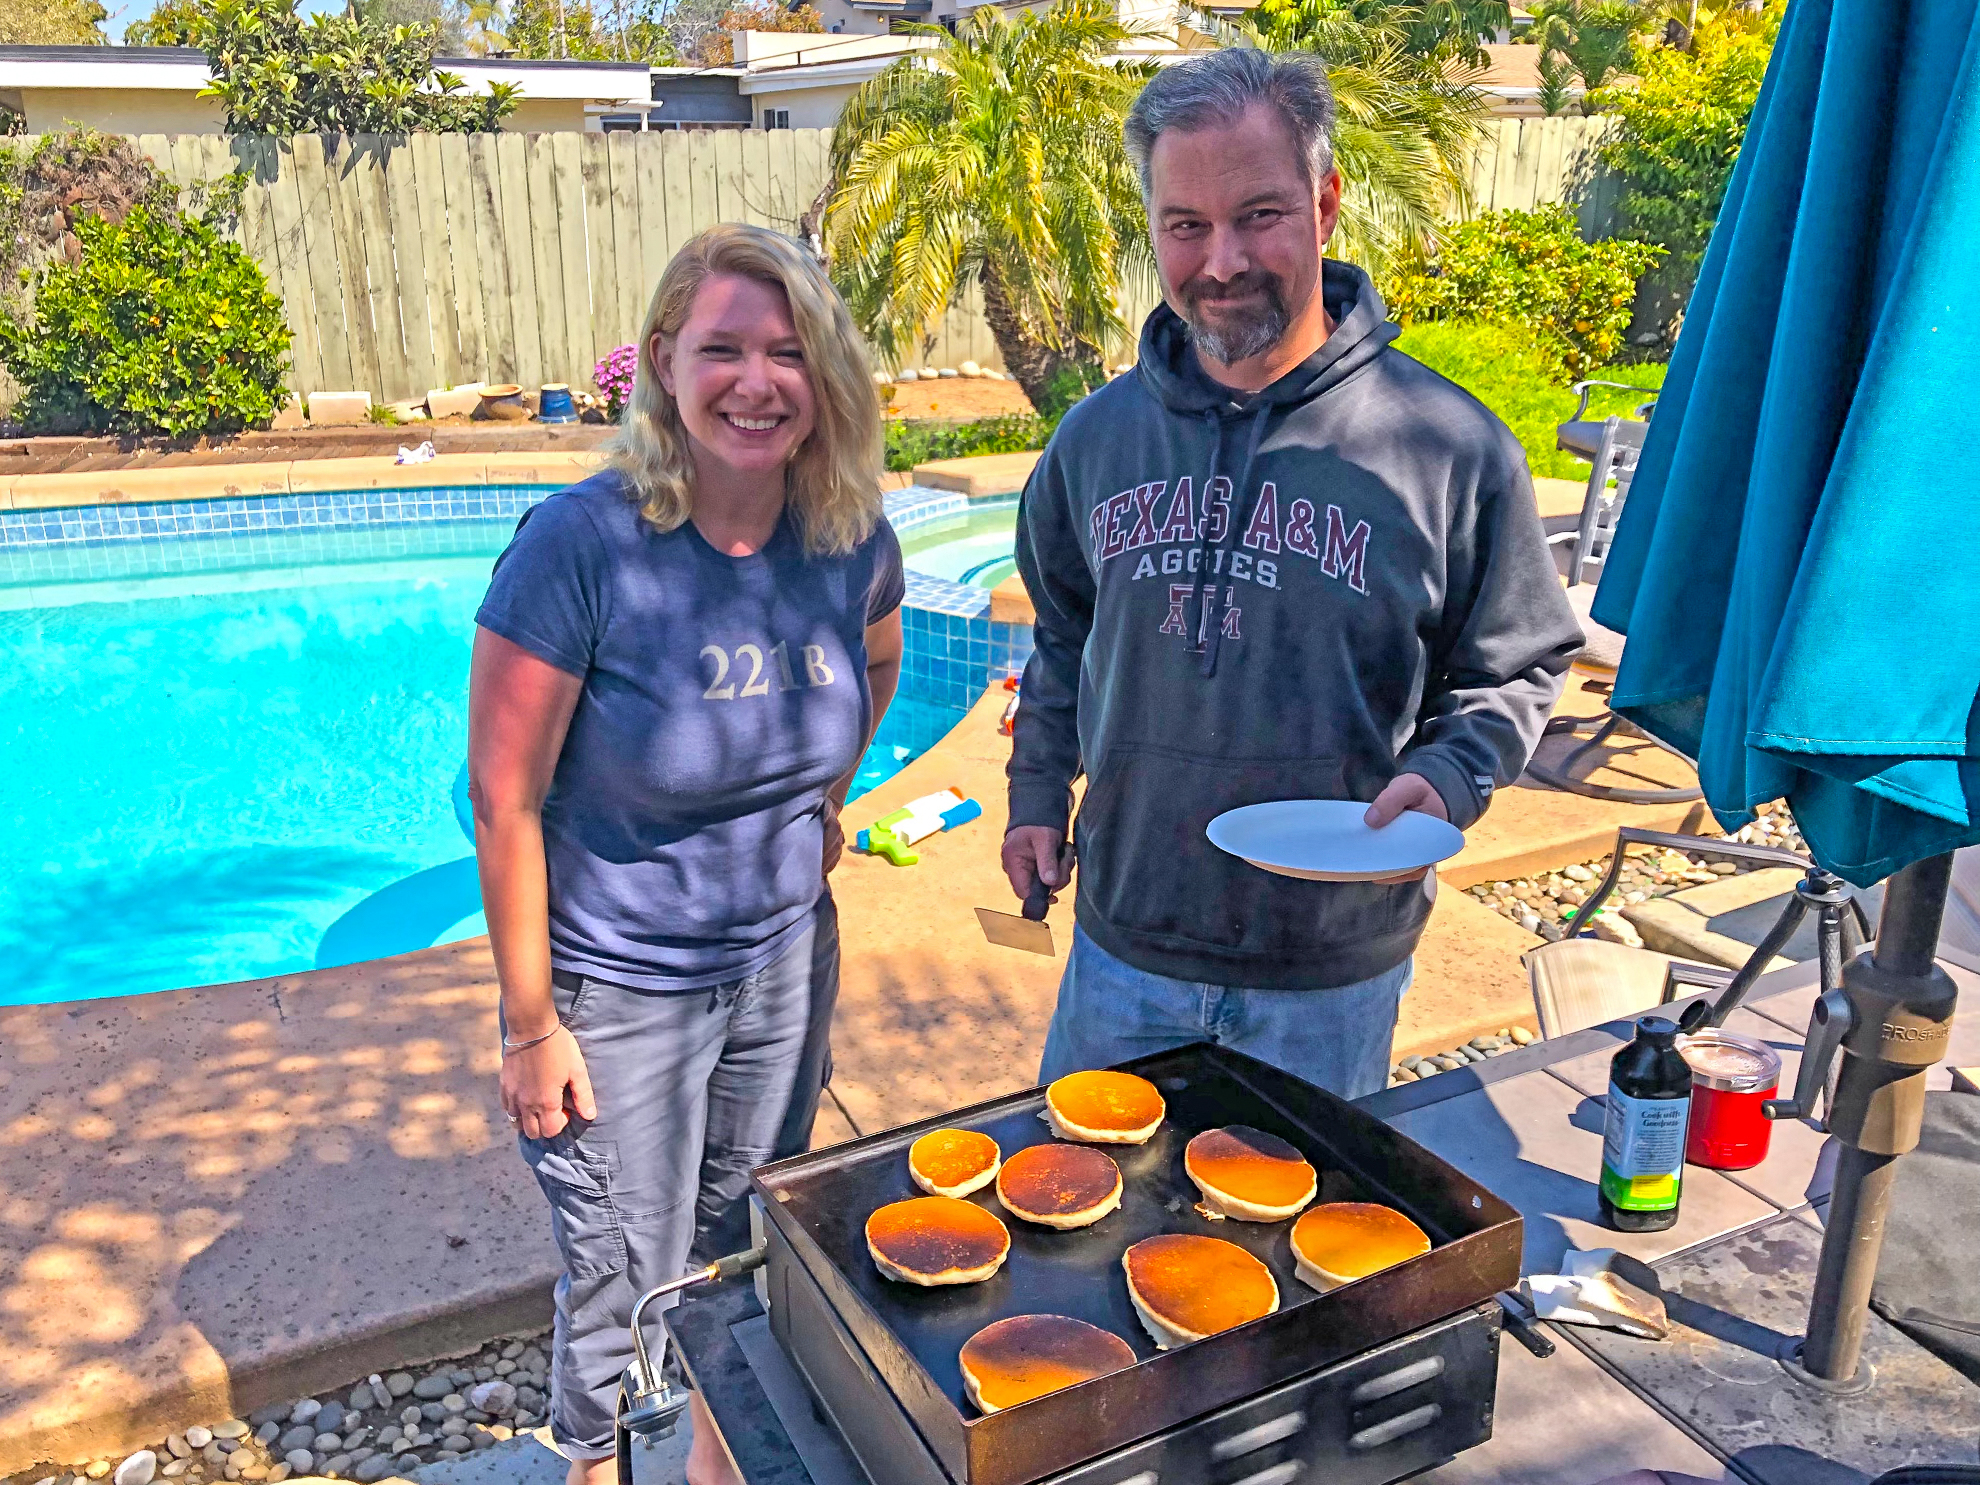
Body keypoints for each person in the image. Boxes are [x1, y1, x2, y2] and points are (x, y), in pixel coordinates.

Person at [1002, 49, 1581, 1099]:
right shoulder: (1094, 445)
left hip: (1328, 974)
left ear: (1324, 205)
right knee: (1085, 1236)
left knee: (1309, 1259)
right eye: (1185, 225)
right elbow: (1060, 638)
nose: (1221, 262)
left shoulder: (1447, 446)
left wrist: (1452, 778)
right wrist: (1037, 794)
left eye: (1259, 215)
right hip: (1124, 951)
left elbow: (1517, 665)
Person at [469, 223, 902, 1485]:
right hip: (618, 985)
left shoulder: (844, 535)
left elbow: (875, 661)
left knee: (748, 1236)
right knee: (618, 1267)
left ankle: (718, 1465)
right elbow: (504, 798)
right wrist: (529, 1022)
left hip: (781, 963)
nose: (756, 381)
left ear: (824, 377)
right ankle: (594, 1468)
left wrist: (823, 792)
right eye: (723, 349)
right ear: (664, 361)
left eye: (789, 351)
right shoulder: (583, 546)